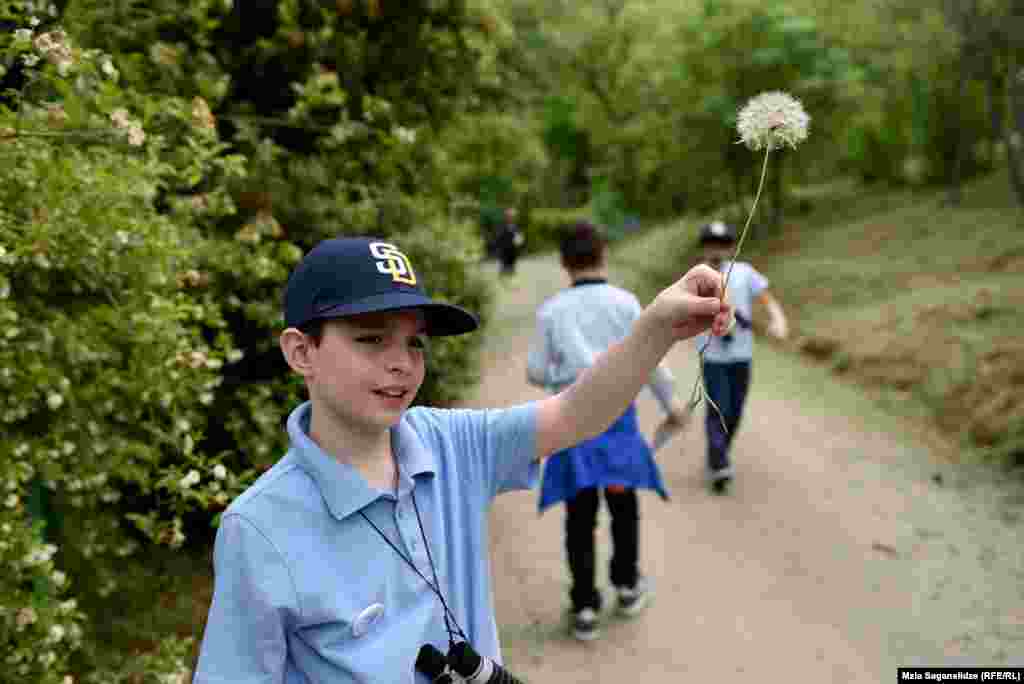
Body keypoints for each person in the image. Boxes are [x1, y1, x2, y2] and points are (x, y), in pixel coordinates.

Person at [192, 235, 732, 683]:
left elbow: (574, 414)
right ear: (301, 352)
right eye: (371, 339)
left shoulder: (449, 444)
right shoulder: (260, 529)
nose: (401, 363)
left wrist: (657, 325)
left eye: (415, 344)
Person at [526, 222, 688, 641]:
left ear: (564, 263)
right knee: (622, 509)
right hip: (617, 422)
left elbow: (536, 371)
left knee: (579, 517)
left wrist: (563, 372)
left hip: (572, 422)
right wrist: (672, 405)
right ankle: (627, 586)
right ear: (604, 254)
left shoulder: (552, 312)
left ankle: (584, 607)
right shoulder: (626, 303)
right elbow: (649, 360)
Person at [694, 220, 788, 495]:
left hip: (741, 355)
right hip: (713, 357)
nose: (717, 250)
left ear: (731, 247)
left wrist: (778, 319)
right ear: (704, 247)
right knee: (718, 408)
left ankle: (719, 455)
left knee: (734, 411)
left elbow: (766, 298)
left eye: (723, 245)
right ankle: (719, 462)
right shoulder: (696, 276)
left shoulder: (745, 272)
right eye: (712, 244)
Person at [495, 207, 523, 277]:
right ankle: (504, 276)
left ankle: (510, 277)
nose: (511, 218)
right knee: (504, 267)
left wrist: (519, 242)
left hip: (513, 251)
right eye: (509, 216)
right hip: (504, 251)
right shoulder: (501, 226)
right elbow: (498, 238)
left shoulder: (516, 227)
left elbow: (519, 238)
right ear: (506, 217)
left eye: (513, 216)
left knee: (512, 267)